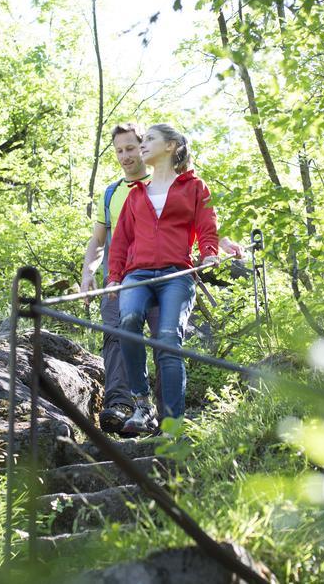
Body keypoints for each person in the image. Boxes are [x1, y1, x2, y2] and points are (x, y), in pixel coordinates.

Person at [106, 123, 219, 436]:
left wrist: (209, 252)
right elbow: (120, 243)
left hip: (175, 273)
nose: (143, 145)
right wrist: (114, 277)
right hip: (137, 273)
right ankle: (142, 405)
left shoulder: (195, 187)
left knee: (168, 340)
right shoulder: (135, 195)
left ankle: (171, 424)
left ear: (170, 146)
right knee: (127, 321)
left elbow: (207, 226)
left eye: (150, 140)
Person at [80, 123, 159, 434]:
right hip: (116, 279)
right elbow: (98, 239)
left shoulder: (162, 184)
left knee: (162, 341)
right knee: (115, 337)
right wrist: (87, 272)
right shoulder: (111, 193)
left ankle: (165, 417)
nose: (126, 156)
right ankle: (120, 405)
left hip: (158, 276)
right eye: (119, 151)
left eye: (131, 148)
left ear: (143, 147)